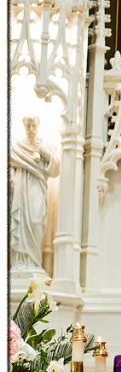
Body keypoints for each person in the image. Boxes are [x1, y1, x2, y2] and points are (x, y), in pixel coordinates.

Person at [10, 114, 59, 274]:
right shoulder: (16, 147)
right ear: (24, 127)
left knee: (36, 221)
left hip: (37, 190)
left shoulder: (47, 145)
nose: (31, 130)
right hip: (20, 191)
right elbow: (10, 166)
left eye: (33, 126)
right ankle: (20, 263)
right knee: (21, 223)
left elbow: (55, 170)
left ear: (38, 126)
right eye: (28, 126)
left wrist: (43, 152)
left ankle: (34, 262)